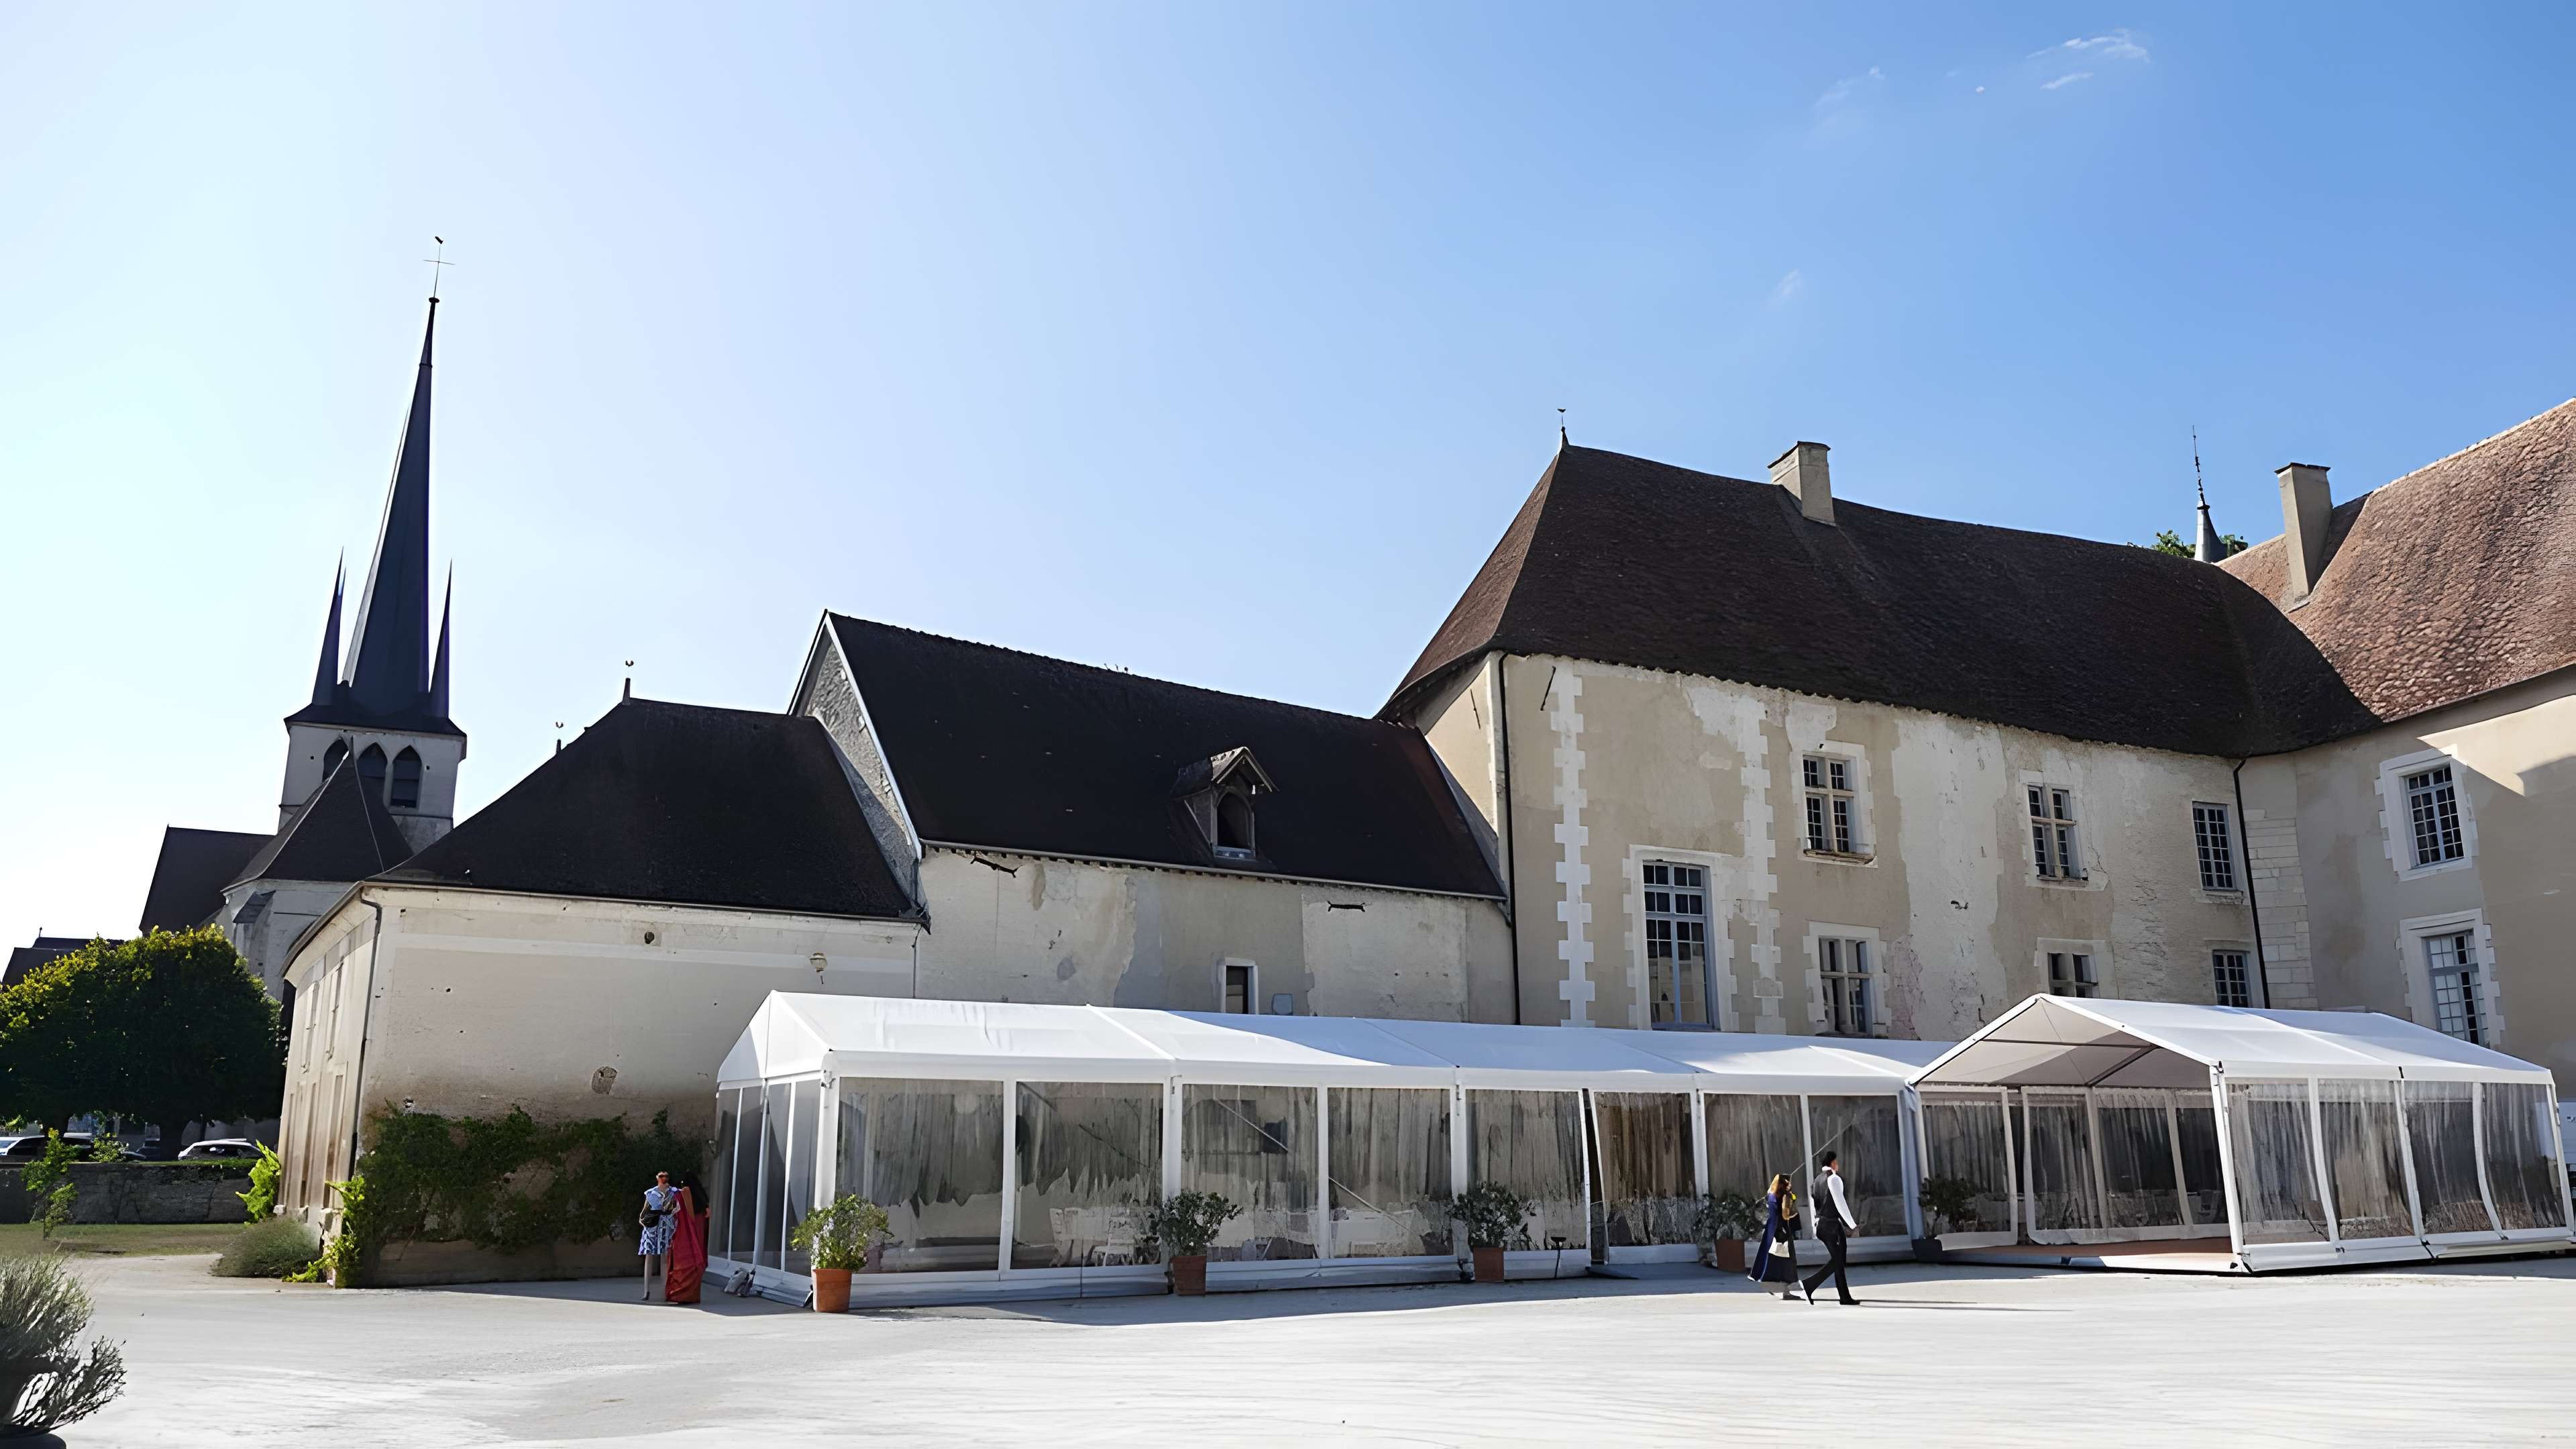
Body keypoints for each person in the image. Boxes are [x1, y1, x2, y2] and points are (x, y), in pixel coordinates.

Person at [1801, 1150, 1860, 1305]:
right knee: (1839, 1260)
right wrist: (1852, 1225)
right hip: (1832, 1225)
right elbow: (1840, 1203)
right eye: (1837, 1162)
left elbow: (1815, 1203)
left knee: (1838, 1260)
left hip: (1821, 1224)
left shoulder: (1817, 1180)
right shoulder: (1833, 1179)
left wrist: (1815, 1222)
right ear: (1833, 1163)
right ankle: (1809, 1284)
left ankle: (1844, 1296)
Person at [1748, 1171, 1802, 1301]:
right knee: (1788, 1262)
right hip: (1782, 1230)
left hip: (1771, 1229)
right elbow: (1786, 1214)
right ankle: (1786, 1292)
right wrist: (1793, 1201)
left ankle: (1760, 1277)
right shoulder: (1785, 1196)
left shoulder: (1770, 1195)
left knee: (1768, 1257)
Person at [663, 1171, 708, 1305]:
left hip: (681, 1237)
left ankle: (680, 1293)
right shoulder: (691, 1195)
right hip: (691, 1230)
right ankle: (688, 1293)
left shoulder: (678, 1195)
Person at [639, 1170, 680, 1301]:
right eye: (661, 1176)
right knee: (649, 1258)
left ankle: (665, 1291)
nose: (664, 1178)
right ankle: (646, 1291)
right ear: (657, 1178)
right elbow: (645, 1210)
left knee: (664, 1259)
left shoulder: (673, 1192)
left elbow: (677, 1209)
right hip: (652, 1228)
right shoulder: (651, 1193)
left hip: (665, 1228)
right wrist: (644, 1221)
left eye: (666, 1176)